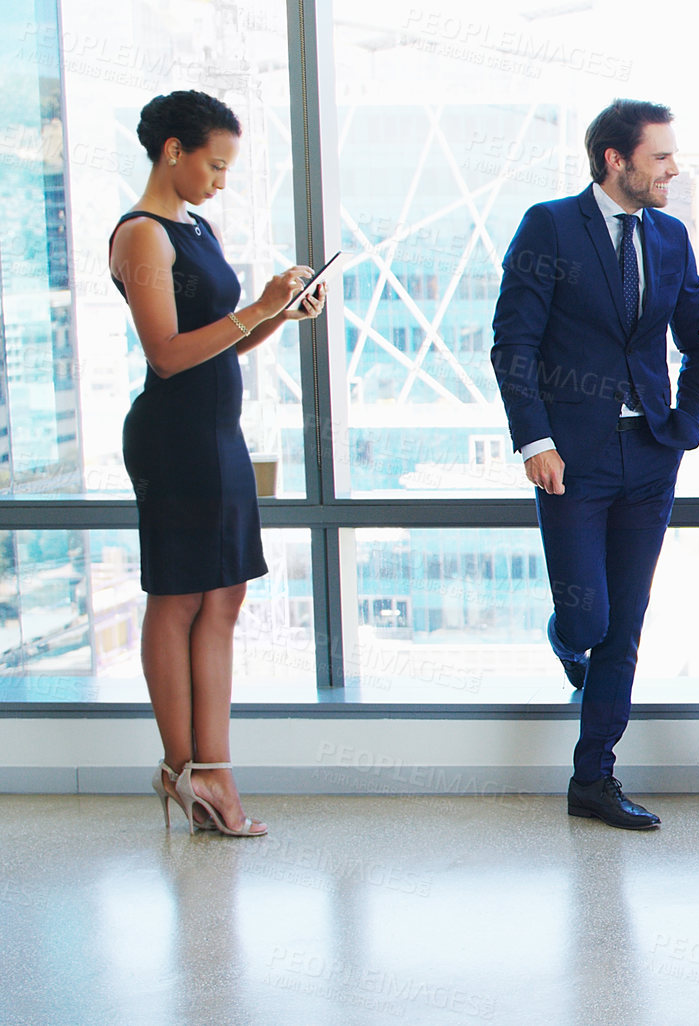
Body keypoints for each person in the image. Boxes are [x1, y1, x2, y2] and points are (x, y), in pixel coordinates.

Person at [490, 100, 699, 830]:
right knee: (589, 622)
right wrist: (535, 441)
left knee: (625, 628)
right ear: (616, 160)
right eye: (660, 158)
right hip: (572, 459)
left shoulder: (671, 235)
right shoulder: (549, 226)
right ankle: (565, 645)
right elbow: (512, 345)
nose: (673, 170)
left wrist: (688, 420)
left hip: (650, 452)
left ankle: (593, 778)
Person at [111, 89, 325, 837]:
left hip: (216, 431)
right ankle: (189, 771)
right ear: (175, 150)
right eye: (215, 163)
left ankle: (212, 769)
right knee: (177, 599)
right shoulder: (143, 236)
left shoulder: (192, 226)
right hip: (174, 437)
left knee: (224, 598)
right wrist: (255, 304)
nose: (220, 180)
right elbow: (167, 357)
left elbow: (220, 347)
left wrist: (276, 314)